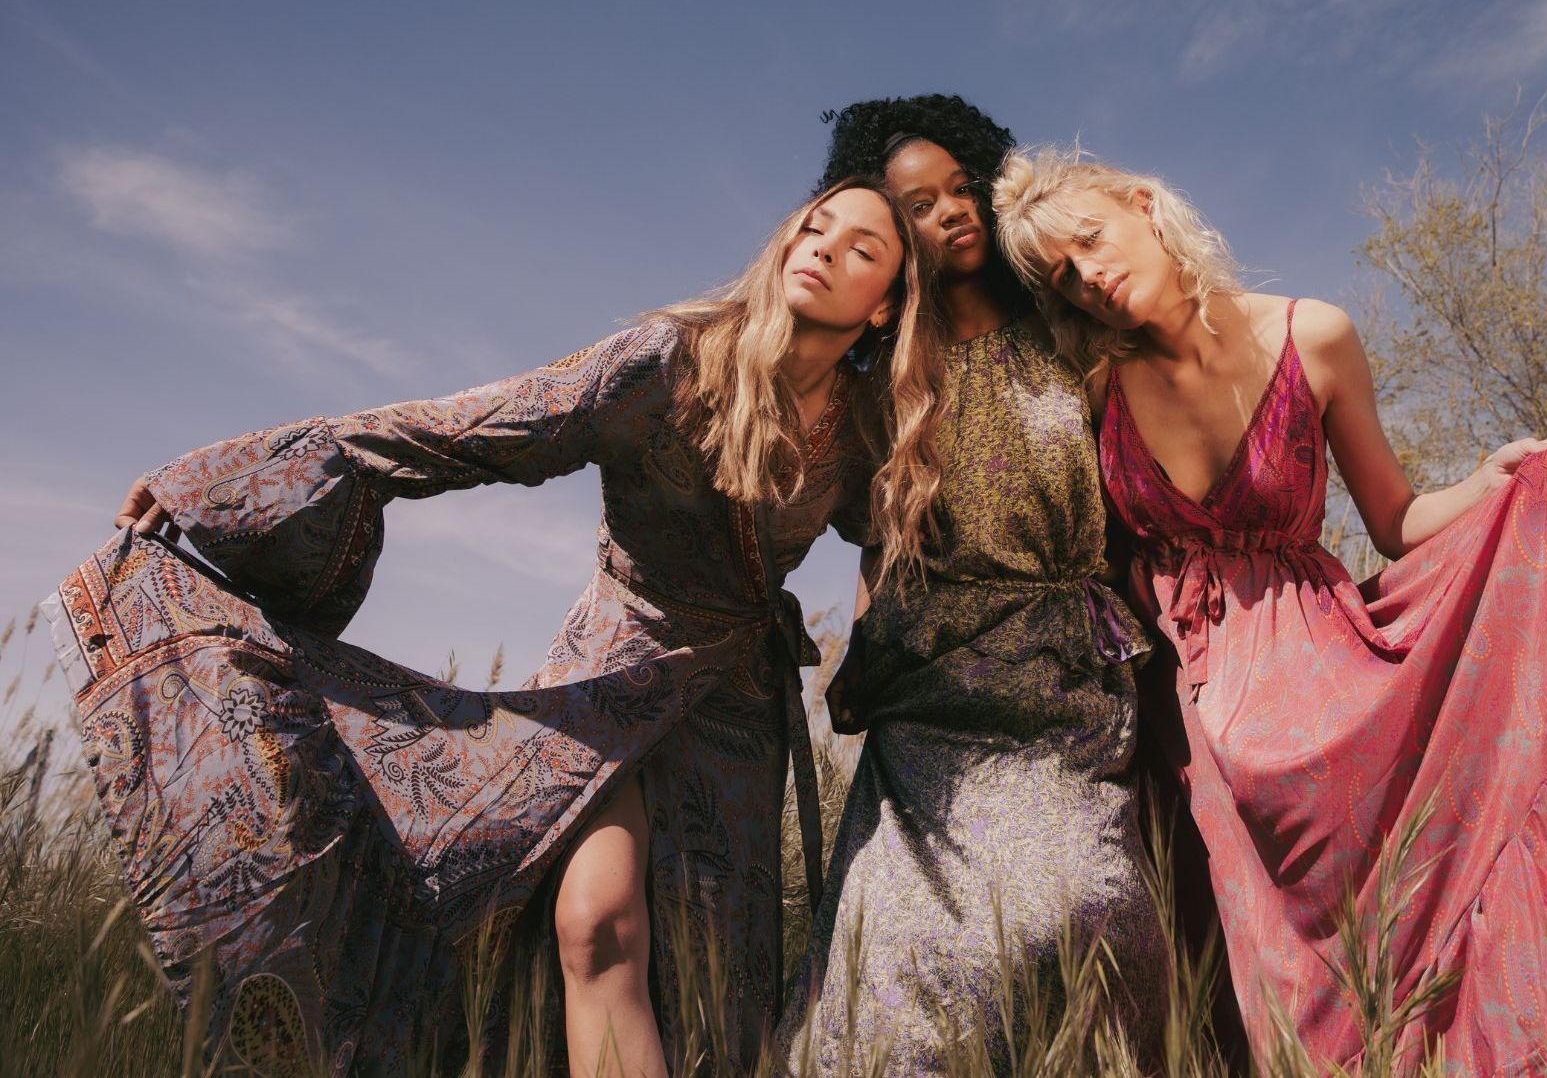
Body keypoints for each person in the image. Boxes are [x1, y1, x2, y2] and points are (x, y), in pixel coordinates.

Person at [49, 179, 941, 1076]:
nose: (822, 248)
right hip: (611, 682)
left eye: (863, 249)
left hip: (737, 713)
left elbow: (908, 541)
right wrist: (221, 480)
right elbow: (470, 428)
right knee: (594, 926)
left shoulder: (867, 430)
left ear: (885, 308)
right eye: (815, 226)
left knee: (713, 980)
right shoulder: (668, 362)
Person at [993, 148, 1547, 1073]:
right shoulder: (1093, 397)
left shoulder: (1312, 336)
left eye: (1091, 240)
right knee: (1267, 990)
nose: (1089, 277)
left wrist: (1495, 481)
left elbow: (1396, 521)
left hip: (1336, 696)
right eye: (1063, 275)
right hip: (1201, 737)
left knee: (1414, 926)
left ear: (1144, 205)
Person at [774, 96, 1167, 1074]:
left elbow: (1128, 520)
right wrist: (855, 665)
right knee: (913, 979)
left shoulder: (1073, 343)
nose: (947, 211)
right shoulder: (878, 384)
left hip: (1061, 696)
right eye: (916, 203)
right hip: (925, 717)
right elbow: (875, 546)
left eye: (961, 187)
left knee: (1085, 931)